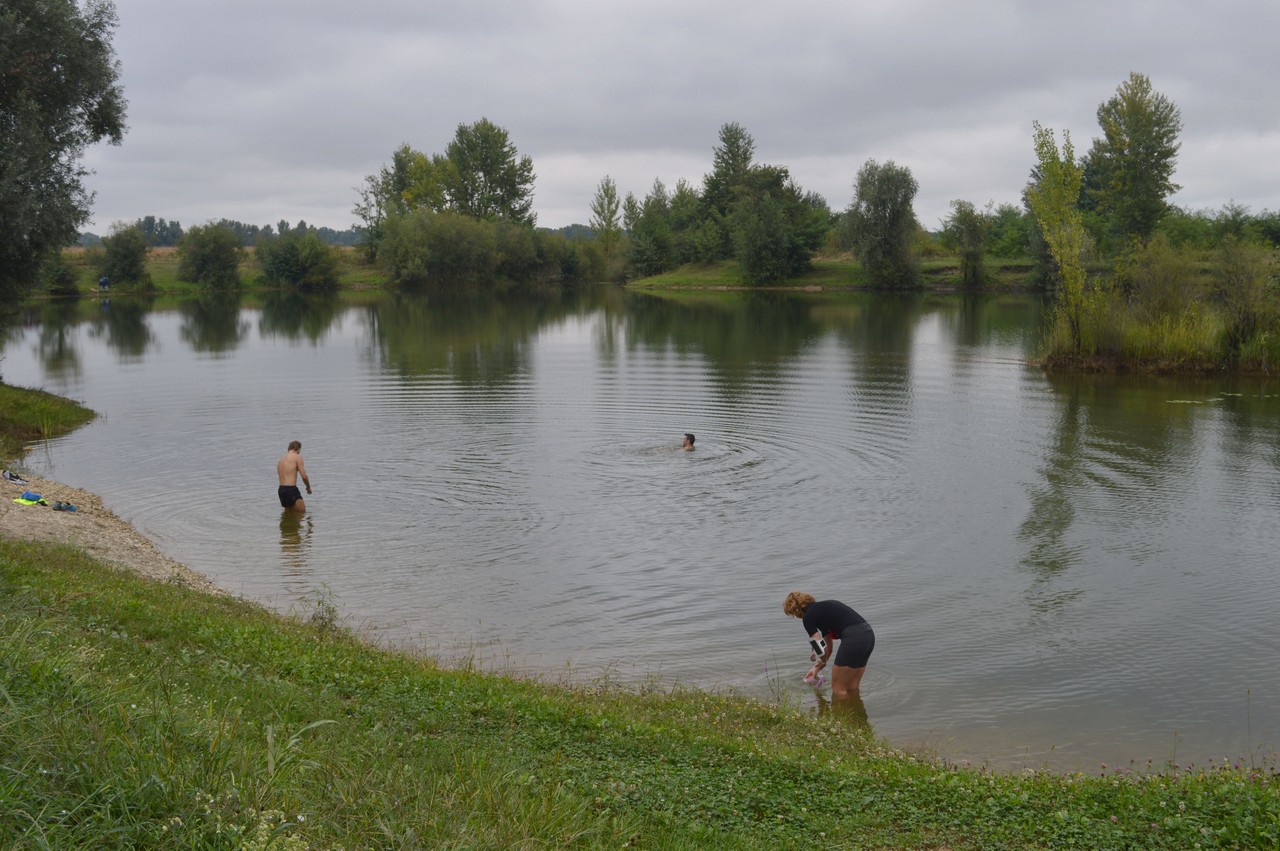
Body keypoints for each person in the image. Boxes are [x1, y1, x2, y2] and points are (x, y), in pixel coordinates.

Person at [783, 591, 875, 699]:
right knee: (852, 687)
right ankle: (856, 714)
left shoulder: (808, 617)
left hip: (853, 639)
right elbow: (828, 648)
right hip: (868, 635)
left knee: (838, 689)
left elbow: (819, 647)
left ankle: (839, 715)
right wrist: (816, 669)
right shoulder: (825, 608)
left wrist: (819, 659)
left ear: (796, 610)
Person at [277, 440, 312, 513]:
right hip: (291, 490)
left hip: (281, 491)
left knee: (288, 514)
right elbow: (304, 477)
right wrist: (308, 488)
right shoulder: (297, 457)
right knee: (302, 514)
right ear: (298, 449)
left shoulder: (280, 460)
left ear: (288, 449)